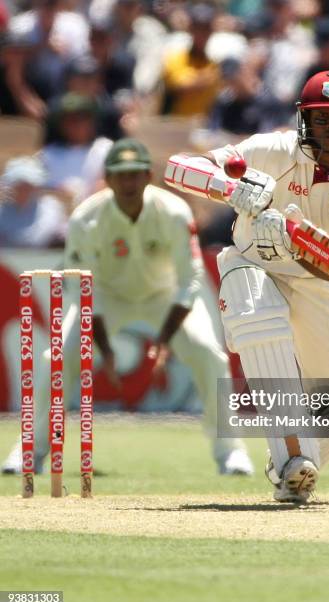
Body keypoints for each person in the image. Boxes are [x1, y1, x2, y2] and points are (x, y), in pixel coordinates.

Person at [168, 70, 329, 503]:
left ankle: (288, 466)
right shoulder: (271, 148)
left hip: (318, 285)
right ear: (304, 119)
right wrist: (230, 190)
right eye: (322, 119)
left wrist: (294, 238)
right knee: (261, 321)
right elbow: (178, 168)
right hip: (251, 264)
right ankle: (291, 455)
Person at [1, 138, 253, 477]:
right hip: (107, 297)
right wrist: (105, 348)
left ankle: (231, 453)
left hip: (163, 298)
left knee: (210, 354)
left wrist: (164, 341)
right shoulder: (86, 218)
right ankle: (31, 449)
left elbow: (189, 280)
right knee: (55, 358)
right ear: (107, 177)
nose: (128, 183)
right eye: (121, 175)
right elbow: (83, 288)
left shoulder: (173, 212)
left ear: (149, 175)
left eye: (135, 175)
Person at [0, 155, 66, 248]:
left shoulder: (52, 209)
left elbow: (63, 237)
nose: (23, 190)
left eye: (28, 186)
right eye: (18, 186)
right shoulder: (1, 212)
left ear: (37, 187)